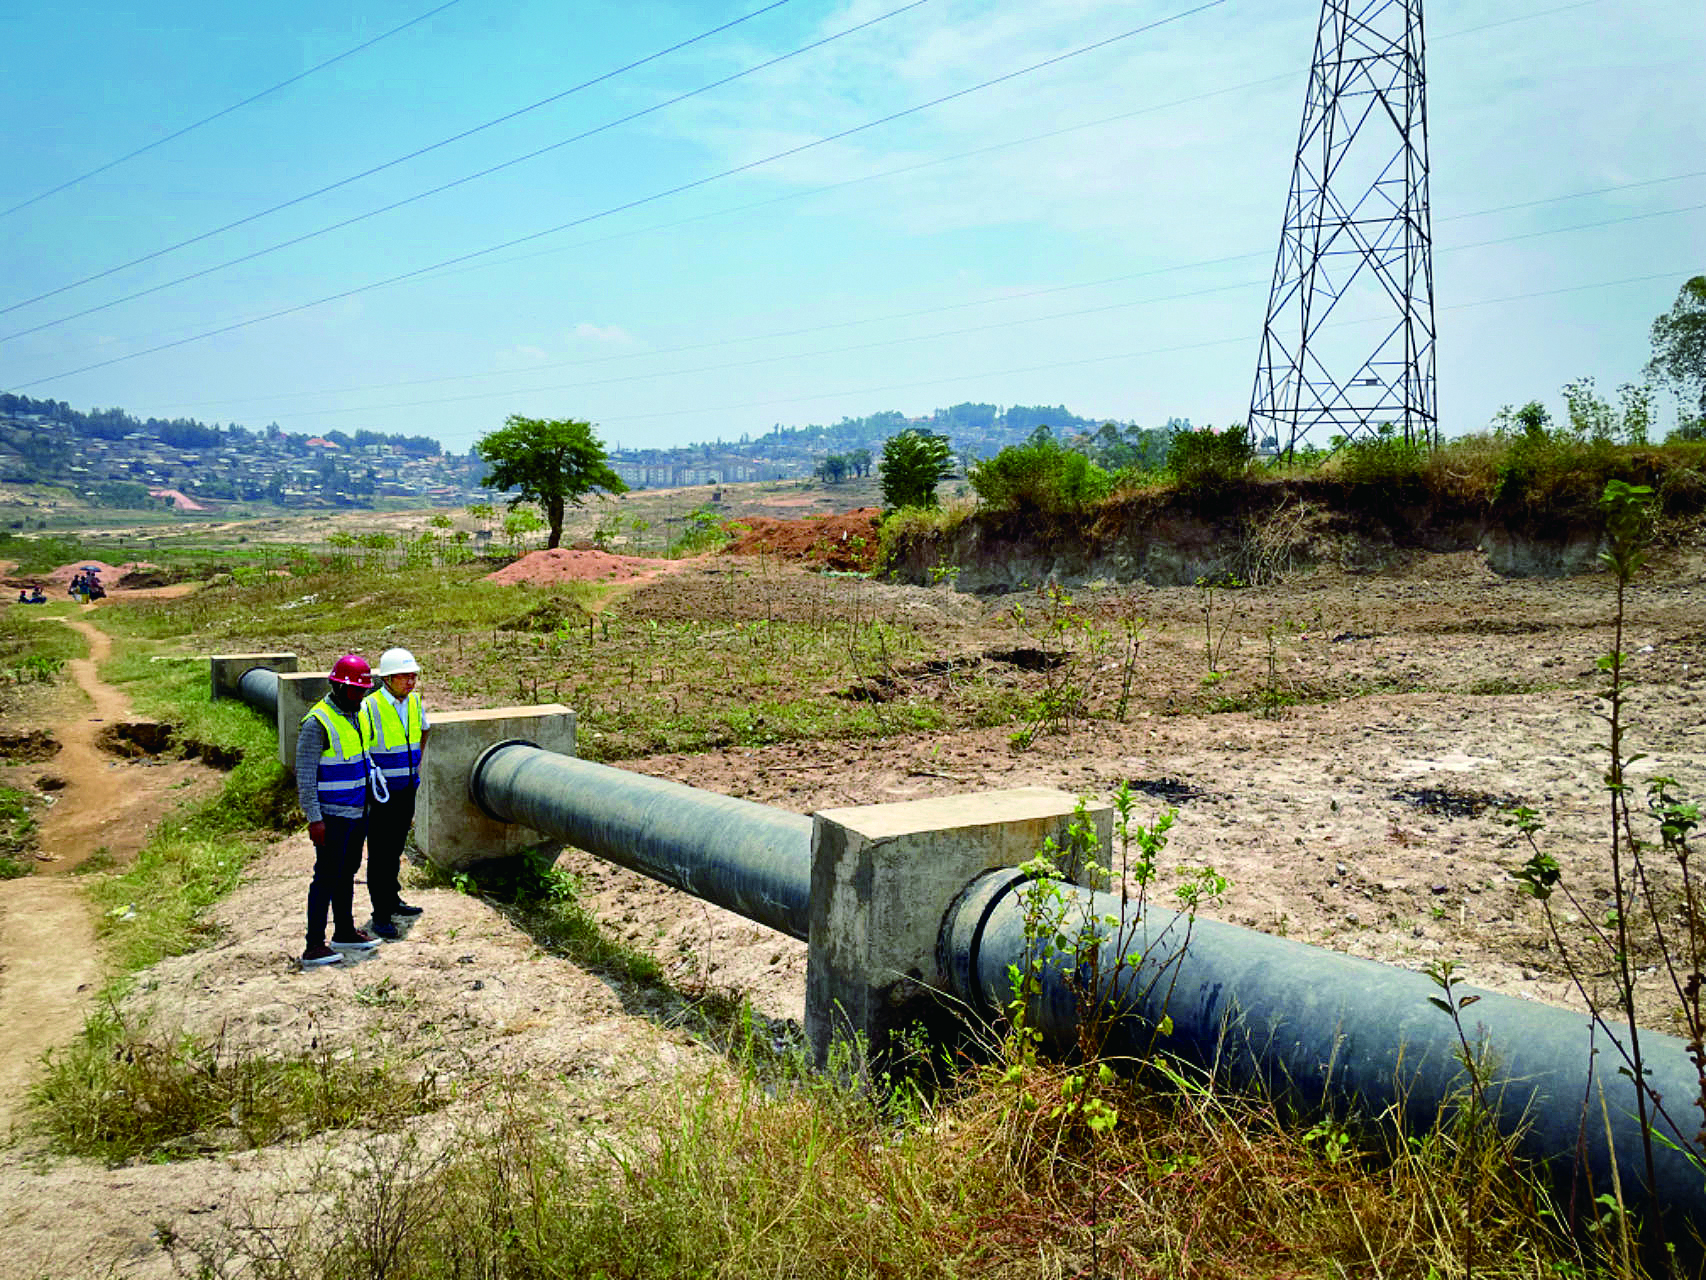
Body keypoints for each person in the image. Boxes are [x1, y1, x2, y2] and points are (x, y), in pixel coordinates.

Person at [296, 654, 383, 967]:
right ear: (338, 686)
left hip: (357, 812)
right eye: (355, 691)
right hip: (331, 817)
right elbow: (305, 775)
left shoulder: (354, 715)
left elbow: (359, 756)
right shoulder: (317, 722)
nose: (360, 696)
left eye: (363, 691)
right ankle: (314, 945)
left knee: (347, 872)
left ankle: (344, 931)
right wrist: (314, 819)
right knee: (326, 877)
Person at [359, 647, 430, 940]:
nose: (411, 681)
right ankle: (381, 914)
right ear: (387, 678)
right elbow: (360, 747)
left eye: (413, 676)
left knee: (396, 849)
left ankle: (393, 900)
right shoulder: (369, 707)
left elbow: (425, 731)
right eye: (405, 676)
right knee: (380, 853)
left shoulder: (414, 703)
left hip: (406, 790)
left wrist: (415, 765)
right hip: (381, 794)